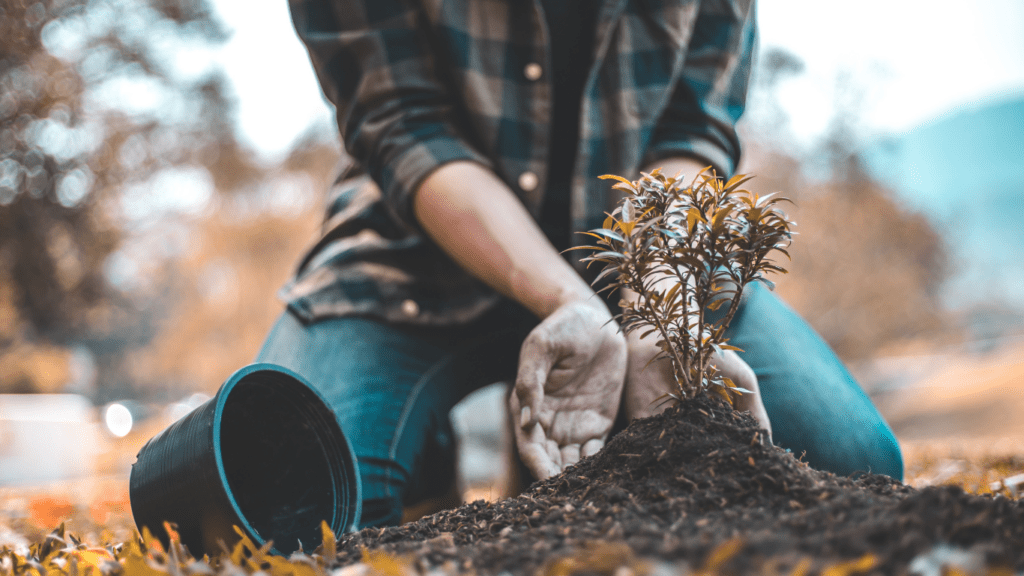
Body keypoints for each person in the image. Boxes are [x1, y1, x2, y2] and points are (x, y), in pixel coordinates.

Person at [256, 0, 904, 529]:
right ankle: (426, 458)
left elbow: (692, 132)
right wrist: (567, 300)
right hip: (413, 252)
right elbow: (403, 125)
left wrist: (662, 318)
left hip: (646, 257)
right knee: (293, 497)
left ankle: (534, 457)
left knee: (847, 461)